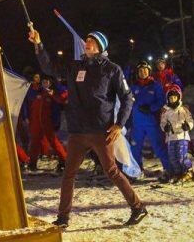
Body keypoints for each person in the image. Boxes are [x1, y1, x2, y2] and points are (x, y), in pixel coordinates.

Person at [30, 28, 146, 228]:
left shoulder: (112, 69)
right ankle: (63, 218)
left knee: (111, 171)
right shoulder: (76, 66)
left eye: (91, 41)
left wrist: (119, 124)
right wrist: (38, 45)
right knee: (69, 174)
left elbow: (127, 98)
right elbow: (49, 68)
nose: (87, 43)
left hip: (101, 130)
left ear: (100, 46)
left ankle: (138, 208)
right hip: (77, 131)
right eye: (87, 40)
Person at [129, 61, 172, 179]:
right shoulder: (133, 87)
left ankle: (168, 169)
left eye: (145, 70)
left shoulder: (155, 85)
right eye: (140, 71)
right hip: (137, 124)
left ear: (149, 71)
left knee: (159, 146)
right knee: (134, 148)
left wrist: (151, 108)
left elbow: (162, 101)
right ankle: (137, 170)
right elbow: (128, 102)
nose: (143, 72)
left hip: (151, 122)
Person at [28, 74, 68, 172]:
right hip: (37, 122)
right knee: (35, 142)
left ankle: (65, 161)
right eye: (43, 82)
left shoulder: (54, 92)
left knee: (53, 141)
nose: (45, 84)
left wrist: (53, 95)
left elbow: (63, 99)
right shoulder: (39, 92)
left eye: (46, 82)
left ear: (50, 83)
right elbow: (31, 100)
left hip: (48, 122)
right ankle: (32, 164)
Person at [160, 84, 194, 183]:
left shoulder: (183, 110)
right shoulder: (166, 111)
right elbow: (162, 123)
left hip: (181, 136)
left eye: (175, 97)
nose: (173, 99)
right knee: (172, 157)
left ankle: (188, 170)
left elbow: (190, 120)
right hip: (171, 137)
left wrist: (188, 126)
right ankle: (177, 172)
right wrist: (165, 127)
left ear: (178, 97)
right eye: (171, 98)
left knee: (181, 156)